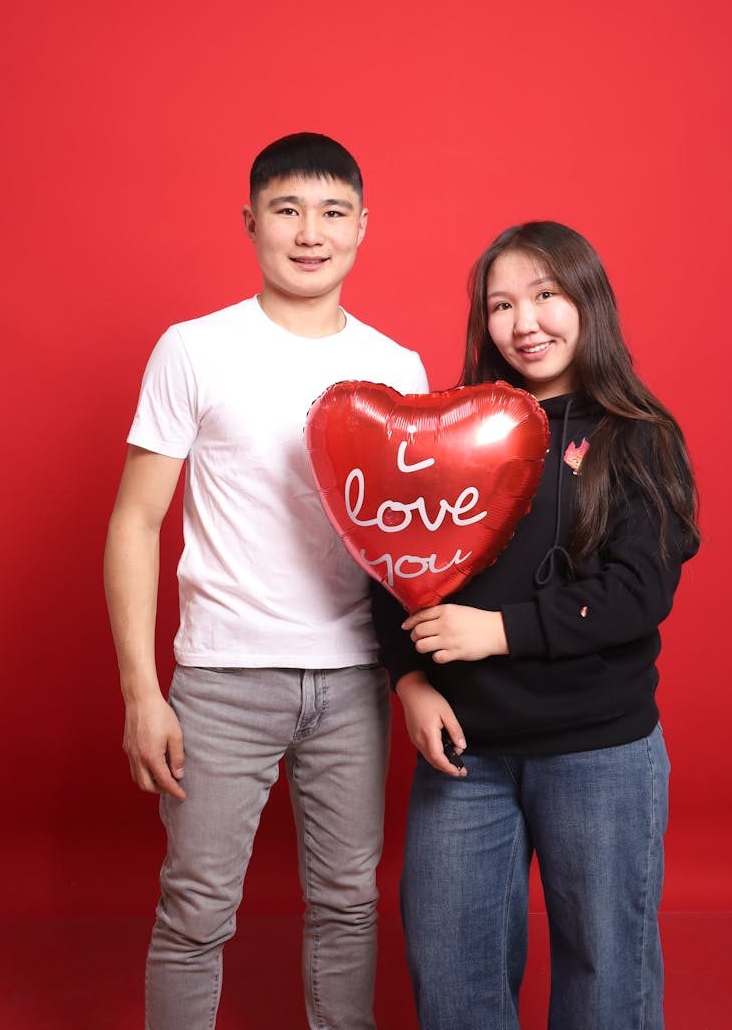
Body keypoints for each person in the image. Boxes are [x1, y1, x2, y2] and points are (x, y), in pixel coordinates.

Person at [104, 132, 428, 1030]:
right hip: (219, 679)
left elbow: (413, 546)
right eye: (288, 210)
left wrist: (420, 673)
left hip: (354, 679)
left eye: (332, 212)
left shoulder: (399, 369)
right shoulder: (194, 349)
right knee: (196, 910)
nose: (310, 231)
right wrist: (142, 692)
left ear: (364, 226)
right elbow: (135, 521)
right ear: (251, 223)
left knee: (348, 905)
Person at [372, 221, 699, 1030]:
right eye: (502, 304)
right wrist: (407, 680)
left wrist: (499, 631)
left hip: (600, 752)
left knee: (606, 976)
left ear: (589, 301)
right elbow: (388, 562)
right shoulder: (448, 430)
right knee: (451, 976)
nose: (526, 323)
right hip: (466, 755)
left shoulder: (641, 437)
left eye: (546, 295)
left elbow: (637, 590)